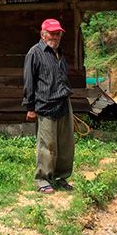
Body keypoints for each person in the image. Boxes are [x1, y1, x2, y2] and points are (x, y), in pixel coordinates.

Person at [23, 18, 75, 194]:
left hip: (63, 102)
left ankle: (61, 177)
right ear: (43, 34)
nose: (55, 36)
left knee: (65, 143)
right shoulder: (34, 53)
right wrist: (30, 107)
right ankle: (42, 179)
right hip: (45, 105)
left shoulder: (59, 52)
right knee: (48, 144)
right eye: (51, 33)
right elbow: (29, 82)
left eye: (57, 33)